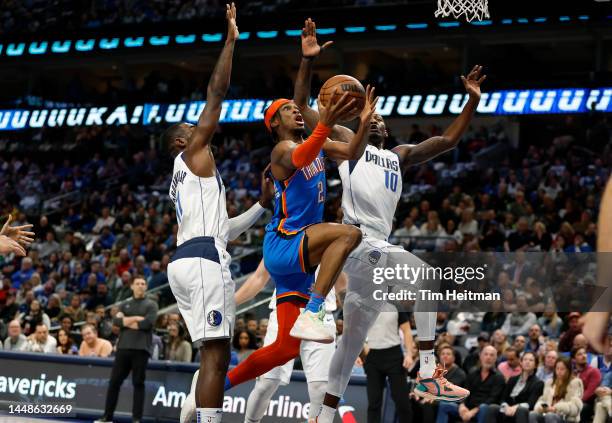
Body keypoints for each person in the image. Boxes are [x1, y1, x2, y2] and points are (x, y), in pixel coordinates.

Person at [292, 19, 484, 421]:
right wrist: (308, 64)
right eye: (371, 118)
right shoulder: (349, 142)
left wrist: (472, 101)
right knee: (428, 279)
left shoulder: (398, 154)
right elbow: (307, 111)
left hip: (372, 258)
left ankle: (324, 415)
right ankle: (430, 372)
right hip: (361, 242)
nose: (377, 121)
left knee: (349, 346)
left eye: (380, 120)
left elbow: (447, 141)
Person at [220, 23, 374, 396]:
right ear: (274, 123)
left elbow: (353, 152)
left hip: (298, 260)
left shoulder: (315, 142)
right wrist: (324, 113)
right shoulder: (281, 152)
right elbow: (304, 152)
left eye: (296, 108)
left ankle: (213, 386)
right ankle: (317, 308)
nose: (296, 112)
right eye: (288, 110)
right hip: (286, 241)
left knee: (285, 349)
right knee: (350, 234)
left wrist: (365, 121)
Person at [162, 6, 275, 423]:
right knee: (216, 354)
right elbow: (216, 95)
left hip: (187, 259)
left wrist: (261, 206)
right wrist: (230, 42)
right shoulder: (192, 152)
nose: (199, 128)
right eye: (190, 129)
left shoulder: (186, 177)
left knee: (214, 350)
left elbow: (222, 228)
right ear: (180, 140)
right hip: (205, 261)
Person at [94, 277, 158, 423]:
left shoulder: (151, 304)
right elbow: (116, 321)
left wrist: (126, 321)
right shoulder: (125, 304)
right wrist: (136, 319)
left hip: (141, 349)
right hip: (123, 348)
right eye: (138, 283)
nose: (141, 286)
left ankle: (136, 419)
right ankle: (107, 416)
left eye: (143, 284)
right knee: (114, 382)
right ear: (132, 286)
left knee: (138, 384)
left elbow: (147, 324)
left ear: (146, 287)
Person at [362, 304, 415, 423]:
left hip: (394, 356)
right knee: (374, 403)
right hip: (372, 357)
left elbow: (406, 331)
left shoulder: (396, 304)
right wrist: (358, 352)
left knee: (402, 402)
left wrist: (409, 354)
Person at [436, 346, 505, 423]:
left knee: (484, 407)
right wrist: (462, 406)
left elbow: (493, 399)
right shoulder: (473, 373)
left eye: (492, 355)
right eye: (486, 354)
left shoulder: (499, 377)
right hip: (467, 408)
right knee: (444, 405)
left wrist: (472, 412)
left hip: (482, 410)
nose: (488, 357)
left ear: (496, 358)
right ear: (480, 356)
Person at [485, 352, 544, 423]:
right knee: (493, 407)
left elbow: (530, 404)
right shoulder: (512, 379)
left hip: (522, 411)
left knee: (521, 410)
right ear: (521, 363)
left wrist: (515, 408)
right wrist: (506, 407)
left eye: (531, 360)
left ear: (536, 365)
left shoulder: (538, 383)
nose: (527, 362)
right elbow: (503, 398)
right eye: (525, 359)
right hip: (507, 408)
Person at [413, 344, 468, 421]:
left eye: (448, 354)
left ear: (453, 358)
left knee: (428, 404)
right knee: (412, 400)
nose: (445, 356)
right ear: (439, 357)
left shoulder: (460, 373)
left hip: (451, 402)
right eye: (443, 354)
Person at [530, 357, 583, 423]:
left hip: (566, 418)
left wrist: (556, 408)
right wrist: (544, 407)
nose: (559, 371)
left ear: (568, 370)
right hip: (548, 414)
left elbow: (575, 407)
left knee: (550, 416)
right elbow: (543, 399)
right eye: (557, 368)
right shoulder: (550, 382)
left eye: (562, 369)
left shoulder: (575, 382)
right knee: (532, 414)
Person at [572, 346, 602, 421]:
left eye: (584, 353)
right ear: (573, 359)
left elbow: (589, 392)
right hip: (572, 401)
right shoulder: (571, 373)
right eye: (579, 354)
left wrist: (574, 403)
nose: (584, 356)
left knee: (582, 408)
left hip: (588, 403)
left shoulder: (594, 371)